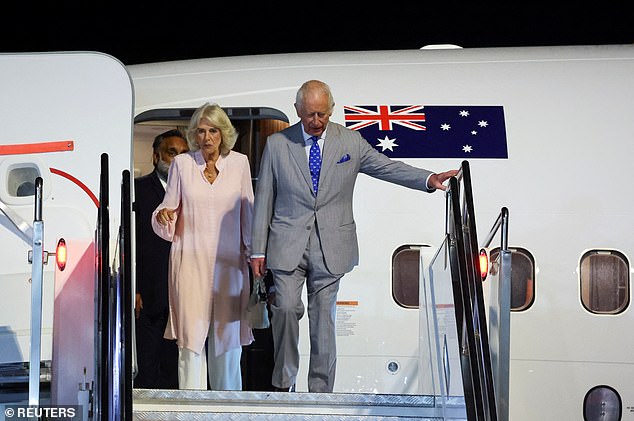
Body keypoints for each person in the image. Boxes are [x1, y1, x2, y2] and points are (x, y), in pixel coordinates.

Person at [250, 80, 458, 393]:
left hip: (332, 247)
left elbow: (387, 167)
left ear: (331, 110)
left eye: (321, 114)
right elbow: (264, 196)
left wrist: (427, 179)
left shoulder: (350, 142)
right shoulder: (279, 144)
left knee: (324, 322)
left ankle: (320, 392)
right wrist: (257, 251)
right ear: (297, 111)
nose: (316, 121)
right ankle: (284, 382)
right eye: (309, 115)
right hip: (287, 244)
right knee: (286, 309)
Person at [151, 103, 255, 390]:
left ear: (223, 133)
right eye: (200, 131)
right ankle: (189, 410)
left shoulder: (240, 164)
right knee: (190, 345)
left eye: (212, 131)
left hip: (230, 266)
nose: (207, 137)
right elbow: (168, 207)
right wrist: (164, 214)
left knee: (228, 345)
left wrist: (254, 255)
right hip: (189, 262)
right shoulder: (183, 165)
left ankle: (228, 410)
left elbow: (249, 213)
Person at [134, 129, 189, 389]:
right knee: (148, 364)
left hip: (184, 292)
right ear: (156, 157)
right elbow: (131, 243)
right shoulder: (139, 190)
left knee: (176, 366)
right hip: (149, 293)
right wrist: (134, 288)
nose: (178, 160)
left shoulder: (194, 194)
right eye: (172, 152)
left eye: (184, 154)